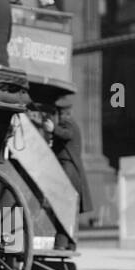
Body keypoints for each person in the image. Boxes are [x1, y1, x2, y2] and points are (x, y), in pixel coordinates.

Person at [50, 95, 92, 251]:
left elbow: (66, 134)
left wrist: (52, 128)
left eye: (59, 113)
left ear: (63, 113)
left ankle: (62, 243)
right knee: (68, 207)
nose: (58, 116)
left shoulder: (67, 123)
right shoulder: (71, 123)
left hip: (68, 170)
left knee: (64, 206)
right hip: (70, 170)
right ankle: (69, 243)